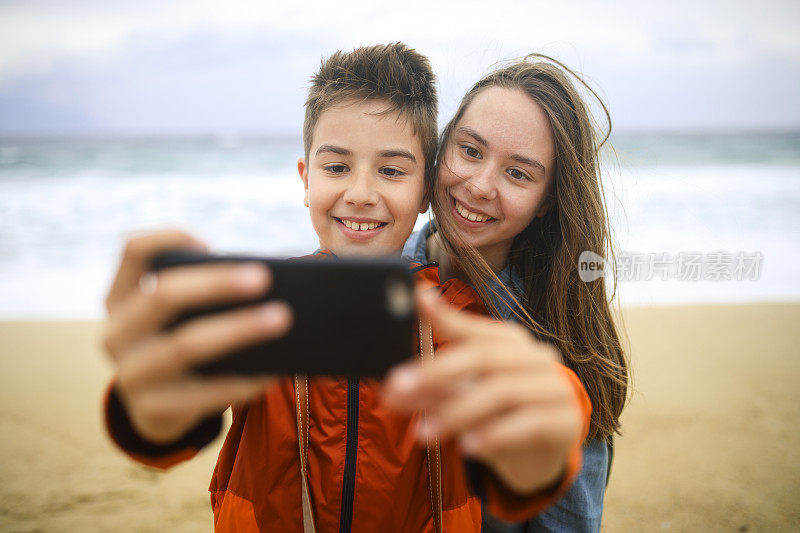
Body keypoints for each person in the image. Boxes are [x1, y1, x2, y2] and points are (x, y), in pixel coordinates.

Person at [102, 43, 591, 532]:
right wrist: (149, 416)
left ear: (426, 192)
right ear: (305, 178)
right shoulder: (261, 311)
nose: (360, 193)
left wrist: (550, 432)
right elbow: (171, 422)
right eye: (336, 167)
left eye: (392, 171)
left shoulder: (462, 319)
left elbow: (528, 447)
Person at [384, 55, 629, 532]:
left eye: (518, 174)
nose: (478, 186)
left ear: (548, 202)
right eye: (470, 151)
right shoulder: (367, 280)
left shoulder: (555, 351)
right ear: (441, 145)